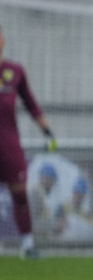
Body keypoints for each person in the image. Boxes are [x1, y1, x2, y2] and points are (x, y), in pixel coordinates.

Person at [0, 26, 57, 259]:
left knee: (20, 195)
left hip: (9, 146)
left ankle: (27, 245)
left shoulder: (15, 71)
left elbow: (31, 104)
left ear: (2, 40)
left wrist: (48, 132)